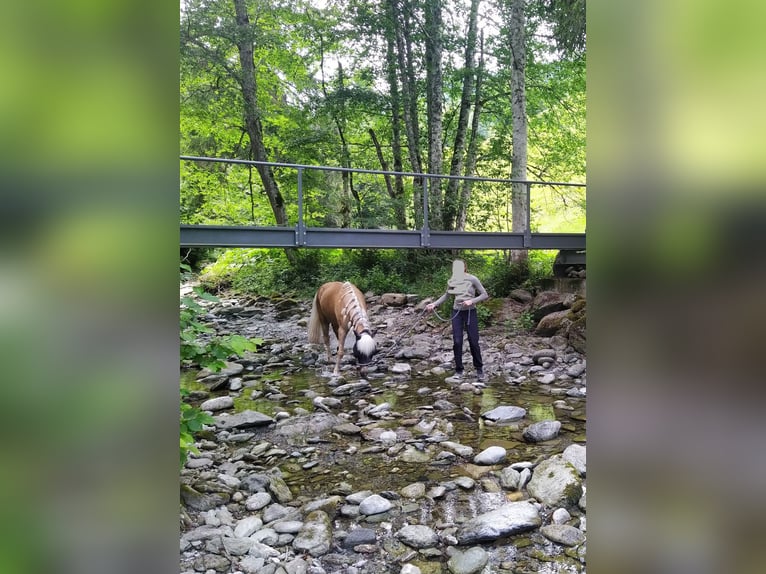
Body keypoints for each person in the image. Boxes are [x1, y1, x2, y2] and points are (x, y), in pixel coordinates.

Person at [425, 259, 489, 381]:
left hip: (470, 312)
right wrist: (434, 304)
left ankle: (479, 368)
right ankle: (459, 370)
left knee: (473, 341)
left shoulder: (473, 279)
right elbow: (446, 295)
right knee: (457, 341)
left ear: (465, 267)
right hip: (457, 313)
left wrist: (472, 301)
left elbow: (484, 294)